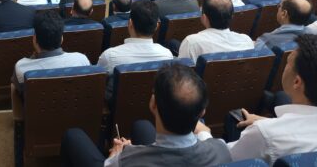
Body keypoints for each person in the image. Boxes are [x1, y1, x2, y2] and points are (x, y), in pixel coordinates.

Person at [61, 63, 232, 167]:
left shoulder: (126, 160)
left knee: (73, 135)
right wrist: (204, 132)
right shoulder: (221, 150)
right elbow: (208, 138)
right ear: (202, 112)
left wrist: (116, 154)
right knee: (141, 125)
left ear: (153, 104)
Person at [225, 34, 317, 164]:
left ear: (296, 82)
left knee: (234, 117)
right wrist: (271, 122)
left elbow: (223, 158)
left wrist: (203, 133)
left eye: (288, 62)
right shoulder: (268, 130)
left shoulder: (265, 133)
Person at [98, 0, 173, 97]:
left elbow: (98, 83)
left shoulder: (109, 56)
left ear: (130, 24)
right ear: (157, 26)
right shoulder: (167, 55)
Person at [12, 11, 90, 89]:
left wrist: (34, 56)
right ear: (61, 39)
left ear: (35, 39)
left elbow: (17, 92)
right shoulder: (82, 60)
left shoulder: (22, 68)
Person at [178, 0, 254, 63]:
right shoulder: (246, 41)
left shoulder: (191, 42)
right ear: (232, 17)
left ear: (204, 18)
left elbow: (182, 70)